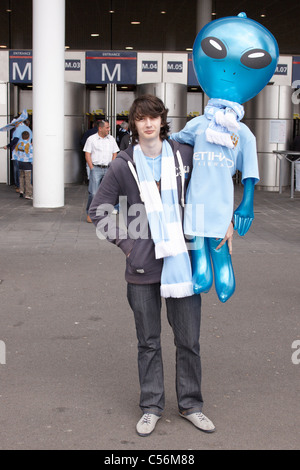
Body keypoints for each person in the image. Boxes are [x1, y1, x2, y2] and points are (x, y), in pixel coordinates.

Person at [89, 94, 233, 437]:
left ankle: (191, 405)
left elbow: (212, 184)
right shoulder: (124, 164)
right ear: (134, 124)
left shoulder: (183, 154)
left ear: (162, 121)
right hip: (142, 267)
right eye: (141, 118)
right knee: (148, 341)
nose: (149, 123)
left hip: (183, 260)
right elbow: (97, 209)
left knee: (189, 340)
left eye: (154, 117)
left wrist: (223, 218)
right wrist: (127, 244)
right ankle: (151, 406)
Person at [83, 120, 119, 223]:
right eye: (107, 127)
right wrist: (92, 168)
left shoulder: (111, 139)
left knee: (107, 193)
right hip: (96, 168)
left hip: (108, 168)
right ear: (100, 128)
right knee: (93, 193)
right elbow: (87, 154)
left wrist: (112, 167)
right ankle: (90, 213)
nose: (109, 129)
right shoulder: (91, 139)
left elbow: (115, 153)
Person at [4, 117, 32, 192]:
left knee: (19, 173)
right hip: (27, 158)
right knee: (28, 174)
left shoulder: (18, 130)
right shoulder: (28, 129)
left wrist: (7, 146)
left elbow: (15, 140)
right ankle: (28, 188)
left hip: (18, 156)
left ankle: (20, 188)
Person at [13, 130, 33, 200]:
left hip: (20, 163)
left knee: (21, 177)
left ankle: (21, 191)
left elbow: (15, 153)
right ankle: (28, 194)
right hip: (27, 163)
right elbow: (31, 155)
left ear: (22, 137)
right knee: (28, 179)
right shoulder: (29, 145)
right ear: (28, 137)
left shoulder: (19, 144)